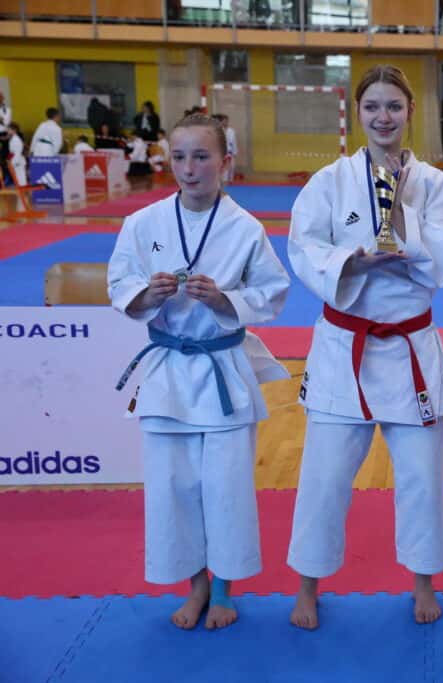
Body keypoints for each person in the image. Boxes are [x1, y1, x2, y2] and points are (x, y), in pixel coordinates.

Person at [286, 65, 443, 630]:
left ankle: (423, 582)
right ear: (357, 113)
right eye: (372, 107)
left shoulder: (435, 185)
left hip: (409, 346)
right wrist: (352, 263)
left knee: (422, 475)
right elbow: (303, 245)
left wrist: (402, 215)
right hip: (345, 346)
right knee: (323, 477)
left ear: (410, 111)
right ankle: (308, 587)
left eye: (393, 106)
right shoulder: (330, 182)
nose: (383, 116)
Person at [107, 113, 290, 631]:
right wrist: (147, 295)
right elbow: (118, 283)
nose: (189, 168)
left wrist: (225, 299)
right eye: (180, 157)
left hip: (222, 368)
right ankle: (196, 585)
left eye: (202, 157)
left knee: (226, 487)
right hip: (167, 371)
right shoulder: (142, 223)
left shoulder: (245, 228)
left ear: (224, 162)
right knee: (174, 486)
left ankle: (225, 589)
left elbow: (273, 291)